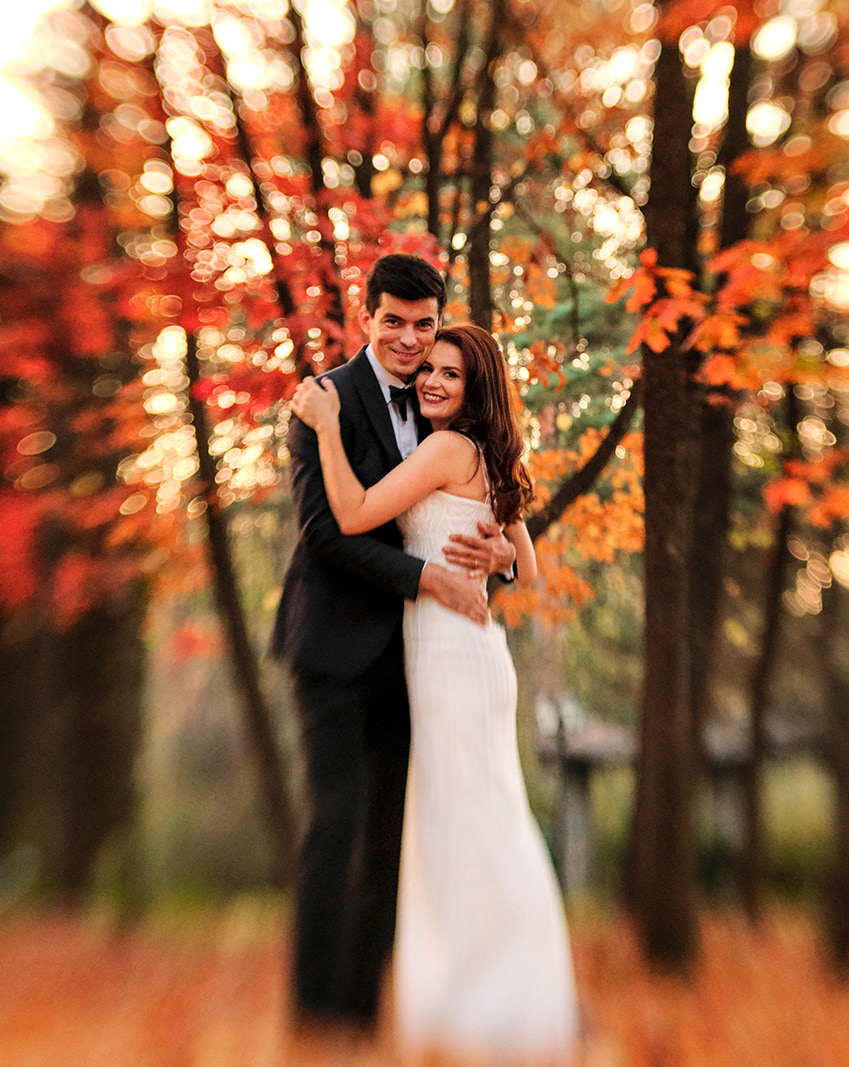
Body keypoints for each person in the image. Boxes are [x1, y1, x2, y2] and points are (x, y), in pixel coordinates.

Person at [291, 323, 581, 1061]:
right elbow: (531, 573)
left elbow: (354, 515)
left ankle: (489, 1004)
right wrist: (501, 559)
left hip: (452, 655)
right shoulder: (487, 455)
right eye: (432, 371)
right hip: (469, 653)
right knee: (477, 819)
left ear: (475, 387)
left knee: (464, 824)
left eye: (451, 373)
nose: (434, 382)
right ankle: (492, 995)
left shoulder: (448, 448)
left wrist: (326, 427)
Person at [270, 254, 517, 1032]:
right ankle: (314, 1013)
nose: (410, 340)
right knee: (336, 820)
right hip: (334, 649)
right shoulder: (322, 402)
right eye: (394, 321)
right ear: (366, 315)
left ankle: (360, 1008)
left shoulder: (449, 404)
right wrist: (425, 580)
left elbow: (480, 516)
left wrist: (499, 559)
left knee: (388, 838)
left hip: (418, 659)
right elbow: (324, 536)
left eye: (424, 324)